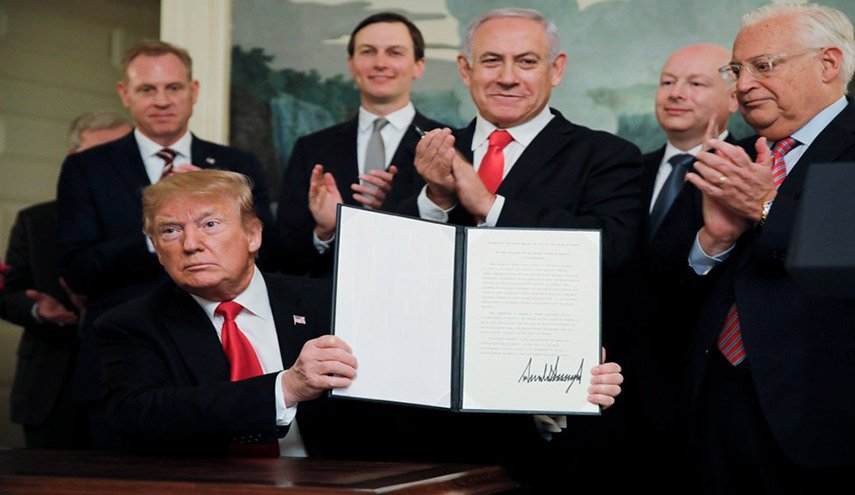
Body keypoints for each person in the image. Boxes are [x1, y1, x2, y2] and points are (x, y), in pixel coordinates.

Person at [386, 8, 635, 490]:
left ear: (556, 69)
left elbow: (610, 251)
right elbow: (392, 267)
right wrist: (436, 199)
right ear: (466, 70)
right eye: (491, 61)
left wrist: (490, 205)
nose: (506, 77)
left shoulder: (605, 155)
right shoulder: (430, 149)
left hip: (548, 423)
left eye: (526, 61)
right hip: (429, 417)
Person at [56, 40, 276, 447]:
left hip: (225, 356)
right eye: (147, 89)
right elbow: (76, 269)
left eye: (173, 88)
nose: (161, 100)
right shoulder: (87, 167)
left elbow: (268, 251)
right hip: (126, 366)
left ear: (193, 91)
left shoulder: (238, 165)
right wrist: (161, 231)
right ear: (125, 94)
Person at [682, 4, 855, 492]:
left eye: (764, 66)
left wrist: (765, 206)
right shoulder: (728, 156)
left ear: (828, 63)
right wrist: (712, 243)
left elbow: (842, 257)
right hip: (712, 409)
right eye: (737, 70)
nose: (743, 85)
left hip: (823, 420)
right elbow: (657, 281)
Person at [95, 169, 356, 455]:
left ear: (253, 235)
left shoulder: (328, 302)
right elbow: (139, 415)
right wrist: (285, 388)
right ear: (157, 248)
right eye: (170, 231)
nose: (190, 245)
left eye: (210, 224)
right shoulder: (132, 323)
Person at [628, 43, 738, 486]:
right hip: (625, 398)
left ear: (733, 98)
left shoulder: (751, 171)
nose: (676, 93)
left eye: (696, 83)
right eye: (668, 82)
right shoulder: (627, 169)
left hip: (707, 395)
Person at [0, 110, 131, 448]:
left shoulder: (160, 224)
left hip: (132, 386)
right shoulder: (35, 221)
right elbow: (9, 294)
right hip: (52, 387)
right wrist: (37, 311)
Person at [276, 12, 443, 277]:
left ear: (418, 65)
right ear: (352, 64)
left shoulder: (445, 144)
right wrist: (325, 232)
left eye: (394, 52)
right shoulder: (311, 148)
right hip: (329, 296)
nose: (380, 63)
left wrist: (397, 208)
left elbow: (458, 238)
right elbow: (285, 253)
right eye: (368, 52)